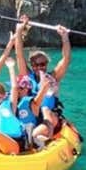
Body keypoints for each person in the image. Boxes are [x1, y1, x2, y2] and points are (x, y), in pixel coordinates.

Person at [15, 15, 70, 143]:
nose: (39, 67)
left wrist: (64, 37)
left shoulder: (54, 77)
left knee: (45, 109)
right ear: (31, 65)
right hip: (32, 116)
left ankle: (45, 138)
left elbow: (66, 59)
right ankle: (31, 138)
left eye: (42, 64)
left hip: (50, 116)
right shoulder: (27, 76)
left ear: (47, 64)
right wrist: (19, 31)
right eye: (35, 65)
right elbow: (19, 55)